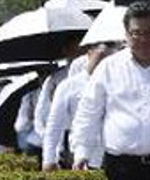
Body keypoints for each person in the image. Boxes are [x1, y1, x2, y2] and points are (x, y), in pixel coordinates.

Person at [72, 1, 150, 180]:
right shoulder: (109, 67)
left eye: (149, 32)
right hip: (119, 168)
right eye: (136, 33)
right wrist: (82, 152)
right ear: (126, 34)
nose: (143, 39)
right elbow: (89, 111)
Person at [41, 43, 116, 171]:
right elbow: (54, 125)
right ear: (89, 53)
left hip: (116, 154)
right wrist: (49, 159)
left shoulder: (119, 84)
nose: (104, 62)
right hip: (83, 157)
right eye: (101, 55)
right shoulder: (69, 86)